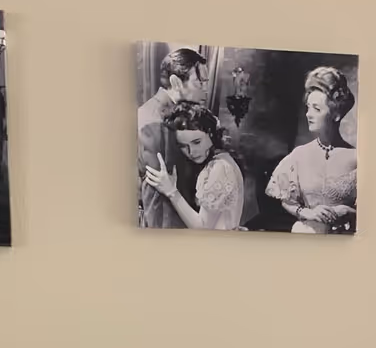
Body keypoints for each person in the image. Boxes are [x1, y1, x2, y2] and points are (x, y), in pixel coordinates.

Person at [267, 66, 357, 234]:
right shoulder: (299, 155)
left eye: (316, 109)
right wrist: (308, 212)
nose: (308, 114)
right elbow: (287, 201)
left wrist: (347, 212)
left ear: (336, 114)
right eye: (308, 107)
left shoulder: (357, 158)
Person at [143, 102, 250, 230]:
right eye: (183, 146)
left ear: (211, 134)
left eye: (197, 142)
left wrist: (171, 191)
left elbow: (202, 228)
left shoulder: (219, 168)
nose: (192, 152)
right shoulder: (223, 160)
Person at [137, 46, 209, 228]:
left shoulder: (178, 112)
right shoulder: (154, 120)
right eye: (200, 82)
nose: (206, 89)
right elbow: (156, 195)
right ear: (176, 82)